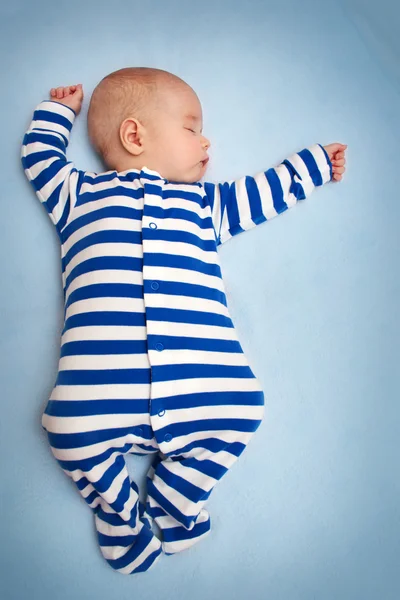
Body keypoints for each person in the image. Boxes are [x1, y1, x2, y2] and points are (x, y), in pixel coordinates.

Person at [21, 67, 347, 575]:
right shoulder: (79, 196)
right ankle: (120, 515)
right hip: (101, 390)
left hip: (202, 382)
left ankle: (175, 499)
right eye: (192, 128)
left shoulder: (203, 204)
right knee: (65, 429)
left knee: (242, 408)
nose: (206, 141)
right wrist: (57, 114)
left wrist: (313, 166)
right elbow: (41, 161)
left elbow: (259, 194)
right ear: (135, 135)